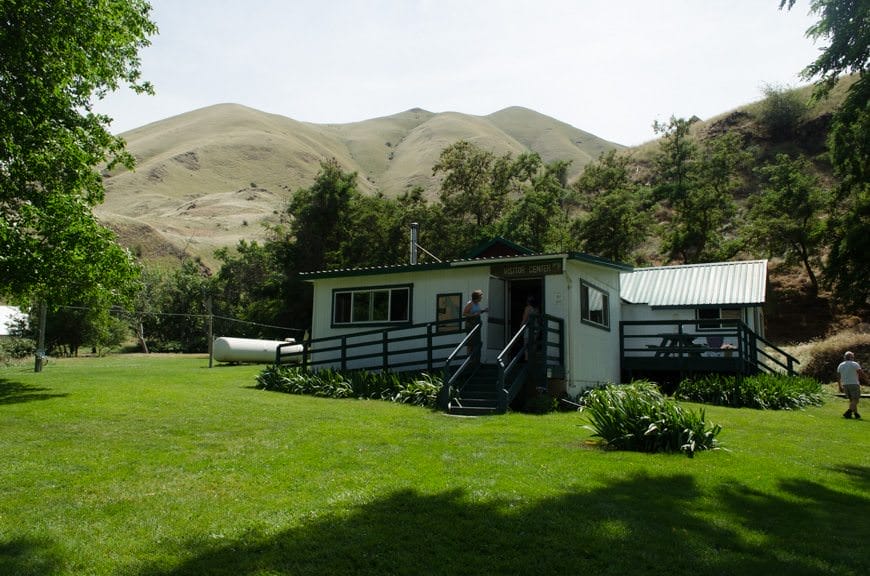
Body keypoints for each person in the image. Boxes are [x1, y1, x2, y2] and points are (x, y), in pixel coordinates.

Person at [837, 351, 865, 419]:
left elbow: (838, 376)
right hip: (854, 384)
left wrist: (839, 386)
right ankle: (848, 412)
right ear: (851, 357)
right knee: (856, 399)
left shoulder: (840, 365)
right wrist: (867, 380)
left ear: (845, 357)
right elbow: (861, 373)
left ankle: (856, 414)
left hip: (845, 384)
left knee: (852, 400)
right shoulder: (854, 364)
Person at [463, 289, 487, 354]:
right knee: (470, 341)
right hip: (471, 324)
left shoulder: (477, 303)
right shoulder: (470, 304)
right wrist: (473, 315)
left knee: (476, 342)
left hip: (476, 324)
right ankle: (469, 356)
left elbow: (477, 312)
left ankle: (475, 357)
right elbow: (464, 313)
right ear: (477, 297)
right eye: (480, 297)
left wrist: (483, 310)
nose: (481, 298)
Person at [522, 295, 539, 360]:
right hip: (536, 328)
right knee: (533, 344)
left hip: (529, 327)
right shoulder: (537, 309)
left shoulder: (528, 308)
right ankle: (533, 359)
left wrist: (521, 327)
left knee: (526, 344)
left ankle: (527, 359)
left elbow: (525, 318)